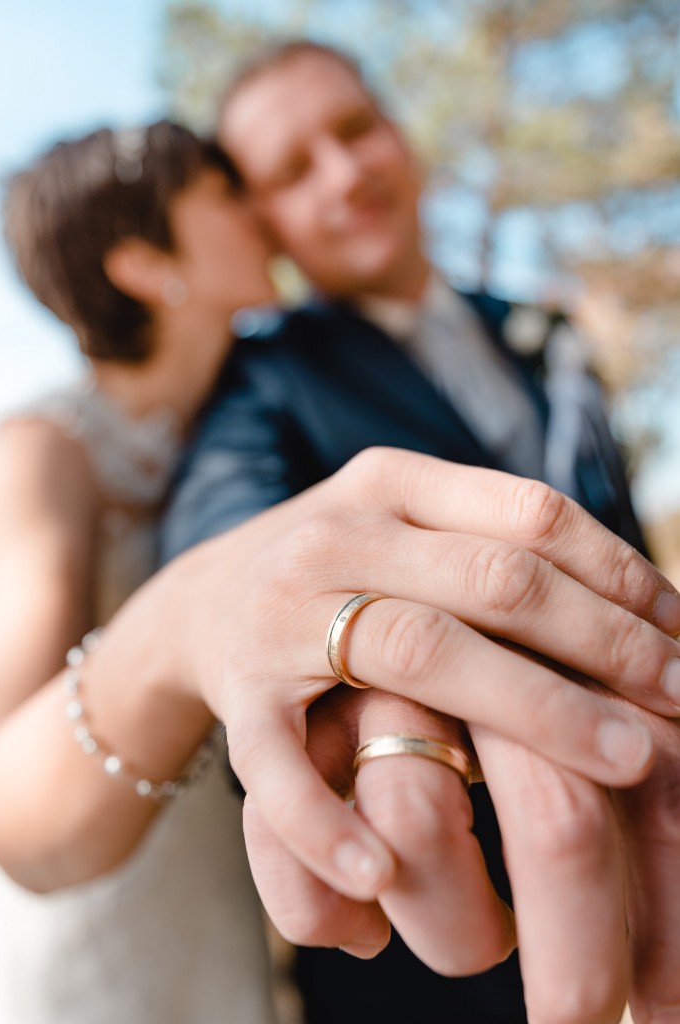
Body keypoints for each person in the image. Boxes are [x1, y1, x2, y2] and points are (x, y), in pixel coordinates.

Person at [160, 39, 657, 1023]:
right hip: (426, 940)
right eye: (294, 170)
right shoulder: (262, 379)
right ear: (261, 222)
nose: (345, 173)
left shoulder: (538, 332)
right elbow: (225, 553)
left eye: (354, 131)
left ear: (401, 139)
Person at [0, 448, 679, 1024]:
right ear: (146, 279)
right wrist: (205, 603)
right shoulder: (64, 444)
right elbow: (235, 501)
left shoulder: (519, 324)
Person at [0, 120, 280, 1023]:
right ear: (141, 264)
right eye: (224, 196)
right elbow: (13, 751)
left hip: (218, 883)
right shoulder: (48, 451)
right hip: (100, 914)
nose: (261, 211)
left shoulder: (252, 408)